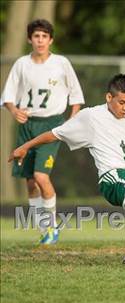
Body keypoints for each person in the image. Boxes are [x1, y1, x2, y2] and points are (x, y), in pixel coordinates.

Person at [9, 74, 125, 266]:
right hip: (112, 177)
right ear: (109, 98)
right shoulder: (91, 117)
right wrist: (26, 146)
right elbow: (56, 134)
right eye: (122, 102)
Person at [1, 19, 85, 244]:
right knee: (30, 182)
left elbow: (76, 96)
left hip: (51, 125)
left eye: (44, 37)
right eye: (36, 36)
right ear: (30, 39)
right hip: (28, 125)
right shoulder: (21, 64)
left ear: (51, 40)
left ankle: (52, 228)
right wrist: (14, 110)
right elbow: (8, 97)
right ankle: (44, 229)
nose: (40, 41)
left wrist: (71, 119)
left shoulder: (61, 63)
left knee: (41, 175)